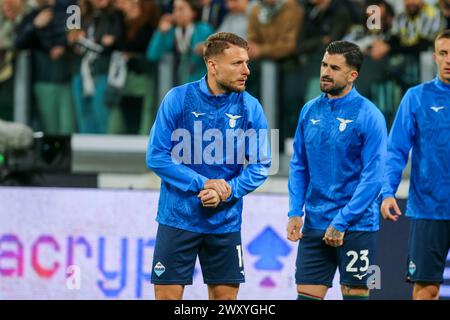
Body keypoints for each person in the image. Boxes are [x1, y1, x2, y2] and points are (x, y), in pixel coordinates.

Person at [146, 32, 271, 300]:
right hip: (177, 218)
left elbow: (261, 165)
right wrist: (203, 183)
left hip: (224, 222)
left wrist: (226, 190)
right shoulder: (177, 99)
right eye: (237, 63)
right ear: (213, 66)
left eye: (247, 63)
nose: (246, 71)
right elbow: (157, 156)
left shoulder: (251, 107)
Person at [287, 41, 387, 300]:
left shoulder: (369, 115)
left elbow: (373, 178)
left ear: (352, 75)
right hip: (315, 224)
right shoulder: (309, 110)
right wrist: (295, 211)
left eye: (334, 68)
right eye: (323, 65)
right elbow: (299, 165)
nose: (325, 72)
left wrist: (342, 221)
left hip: (356, 226)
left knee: (355, 294)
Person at [380, 30, 450, 300]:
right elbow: (395, 150)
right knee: (426, 290)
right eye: (443, 53)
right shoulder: (417, 97)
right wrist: (387, 192)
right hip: (428, 210)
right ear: (434, 57)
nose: (448, 60)